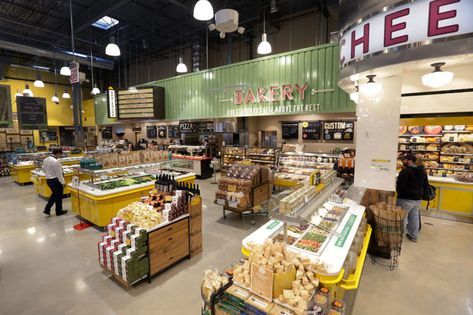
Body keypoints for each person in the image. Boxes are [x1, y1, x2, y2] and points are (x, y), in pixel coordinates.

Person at [396, 154, 428, 242]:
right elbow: (426, 184)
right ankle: (413, 236)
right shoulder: (422, 171)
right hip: (418, 198)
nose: (403, 162)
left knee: (402, 217)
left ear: (409, 161)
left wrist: (400, 193)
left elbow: (400, 185)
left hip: (405, 198)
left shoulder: (405, 171)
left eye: (405, 160)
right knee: (414, 216)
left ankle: (399, 237)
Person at [42, 148, 68, 216]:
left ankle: (47, 209)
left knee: (54, 195)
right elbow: (59, 174)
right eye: (60, 154)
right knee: (58, 197)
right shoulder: (56, 162)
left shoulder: (46, 159)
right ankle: (58, 211)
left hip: (49, 180)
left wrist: (48, 174)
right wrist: (63, 182)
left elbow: (43, 168)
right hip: (56, 181)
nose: (59, 156)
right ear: (58, 153)